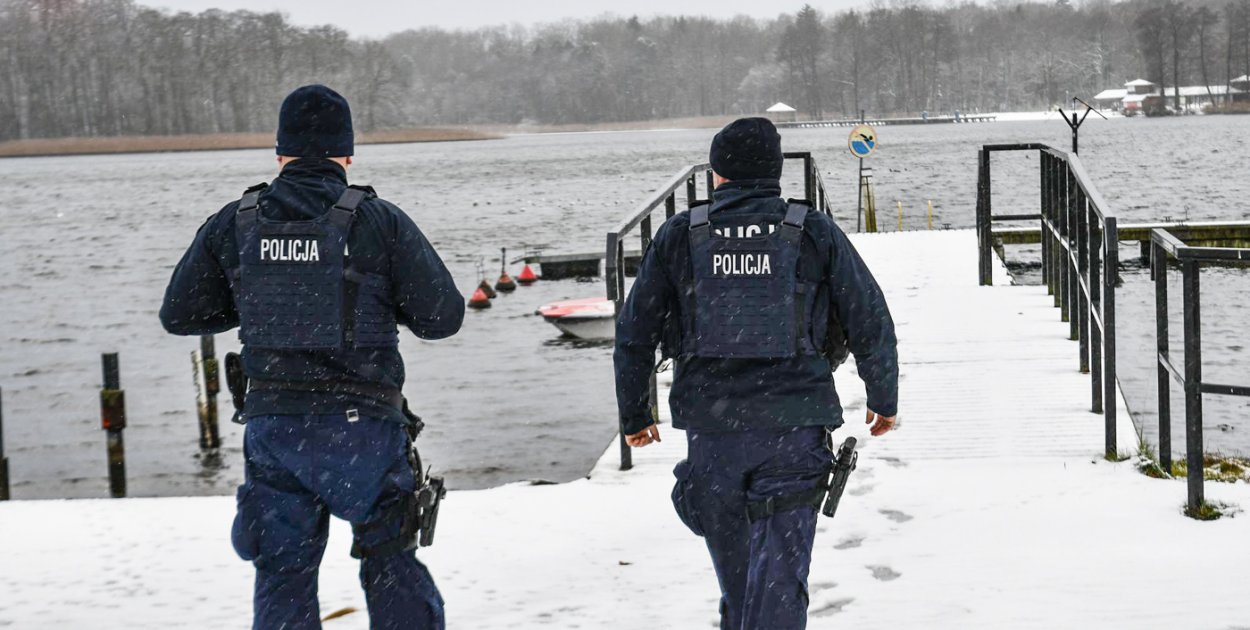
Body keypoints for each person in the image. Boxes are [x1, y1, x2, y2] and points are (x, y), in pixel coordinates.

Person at [160, 84, 463, 629]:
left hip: (276, 430)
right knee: (390, 560)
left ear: (281, 154)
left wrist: (257, 298)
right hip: (363, 431)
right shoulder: (379, 221)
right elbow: (443, 319)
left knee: (282, 572)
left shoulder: (237, 221)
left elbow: (180, 315)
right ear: (347, 154)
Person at [613, 117, 899, 630]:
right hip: (796, 422)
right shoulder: (812, 230)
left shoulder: (682, 233)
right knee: (780, 581)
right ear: (776, 172)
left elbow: (635, 332)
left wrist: (636, 413)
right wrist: (883, 396)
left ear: (717, 172)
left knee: (741, 581)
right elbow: (868, 316)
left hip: (713, 429)